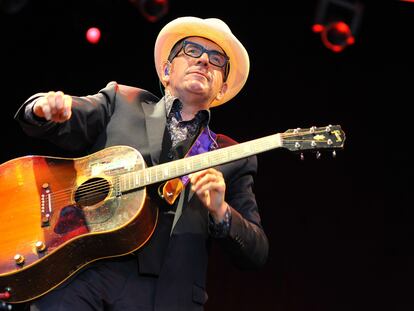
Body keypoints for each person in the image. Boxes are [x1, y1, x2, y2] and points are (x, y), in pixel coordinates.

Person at [14, 16, 269, 311]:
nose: (203, 61)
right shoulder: (122, 101)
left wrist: (221, 212)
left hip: (165, 295)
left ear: (222, 88)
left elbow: (256, 252)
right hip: (81, 274)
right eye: (191, 51)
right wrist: (43, 108)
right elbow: (66, 114)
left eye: (216, 60)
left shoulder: (233, 154)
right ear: (166, 71)